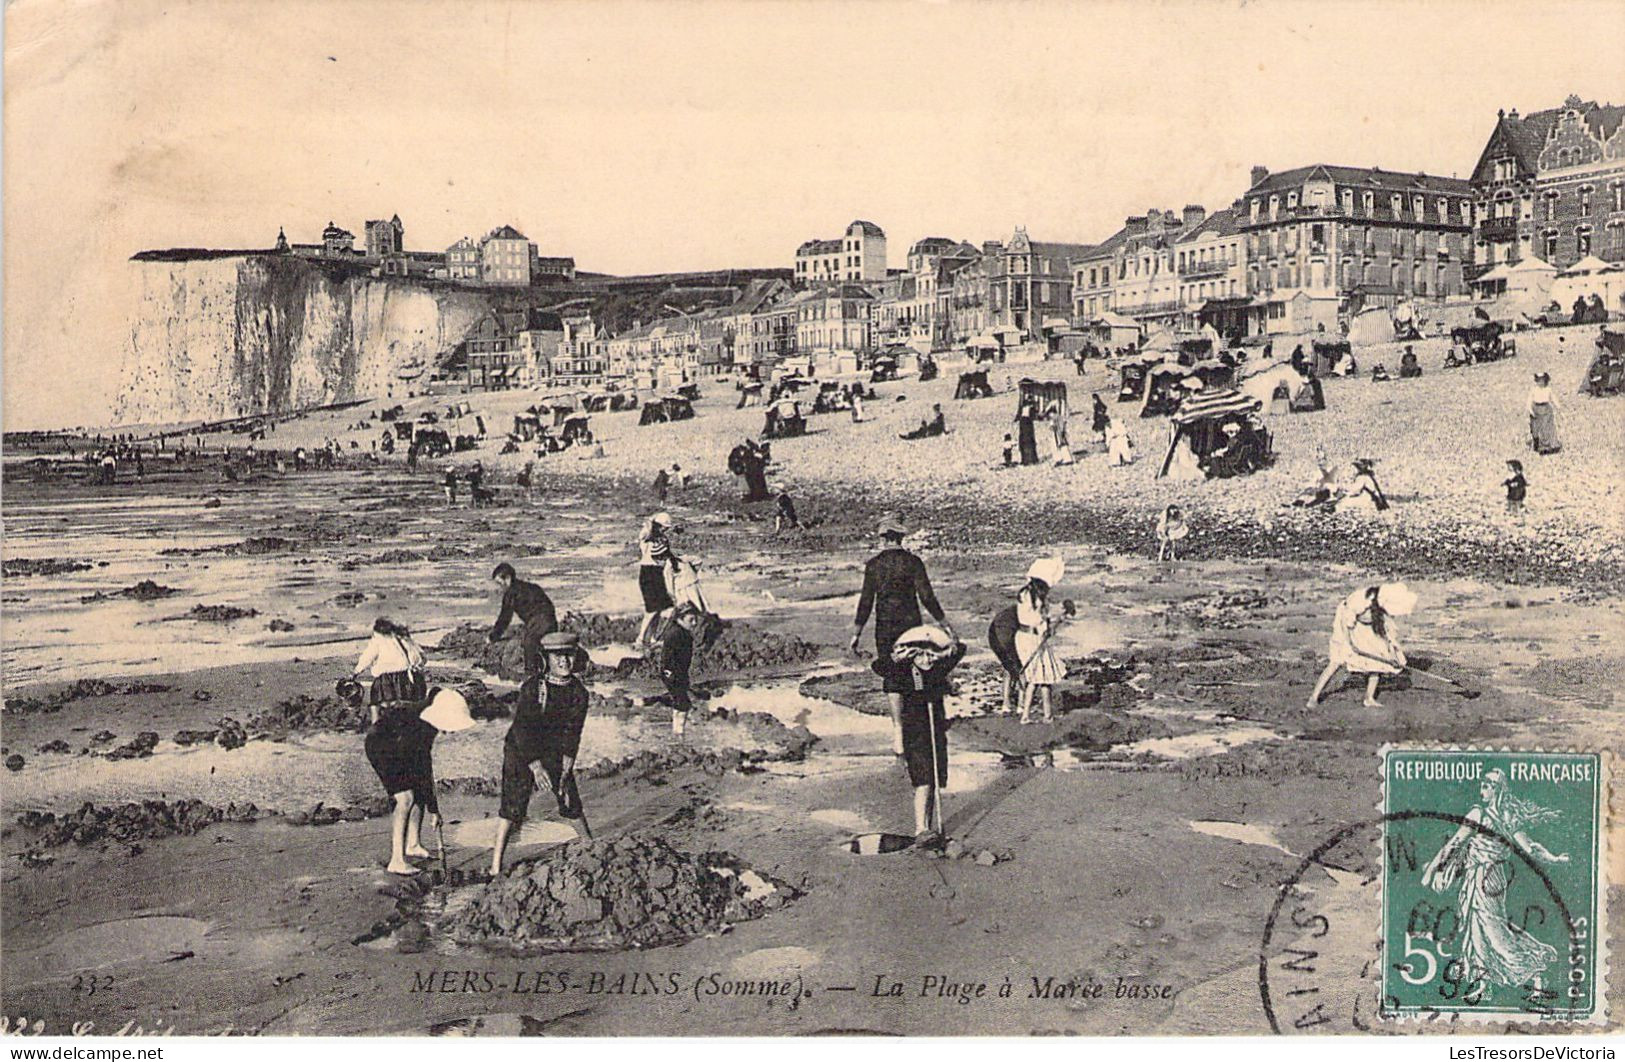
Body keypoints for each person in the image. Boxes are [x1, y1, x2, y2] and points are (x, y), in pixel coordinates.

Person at [1419, 769, 1568, 1002]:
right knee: (1475, 929)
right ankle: (1483, 983)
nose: (1482, 789)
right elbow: (1455, 843)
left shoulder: (1498, 816)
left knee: (1495, 932)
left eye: (1487, 785)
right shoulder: (1484, 814)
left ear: (1497, 789)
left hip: (1488, 879)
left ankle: (1536, 971)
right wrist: (1433, 869)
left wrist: (1553, 858)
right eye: (1482, 784)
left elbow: (1529, 847)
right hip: (1476, 876)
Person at [490, 632, 592, 876]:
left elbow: (573, 732)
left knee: (569, 799)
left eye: (569, 655)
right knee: (512, 806)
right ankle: (495, 865)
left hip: (554, 750)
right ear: (546, 659)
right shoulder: (533, 688)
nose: (564, 662)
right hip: (521, 749)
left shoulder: (580, 693)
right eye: (558, 657)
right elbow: (523, 730)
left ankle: (590, 845)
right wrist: (536, 767)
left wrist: (567, 767)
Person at [852, 516, 952, 756]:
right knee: (916, 670)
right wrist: (945, 624)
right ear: (901, 537)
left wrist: (856, 633)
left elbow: (866, 602)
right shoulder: (913, 562)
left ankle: (898, 733)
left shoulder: (874, 565)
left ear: (884, 538)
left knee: (893, 676)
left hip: (885, 627)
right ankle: (918, 729)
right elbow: (927, 596)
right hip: (911, 626)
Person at [353, 618, 433, 875]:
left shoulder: (410, 651)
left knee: (417, 791)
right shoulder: (381, 648)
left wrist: (434, 808)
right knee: (406, 797)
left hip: (396, 735)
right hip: (386, 742)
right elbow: (368, 659)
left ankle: (413, 843)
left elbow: (425, 767)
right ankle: (397, 860)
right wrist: (355, 673)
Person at [888, 626, 966, 847]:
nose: (927, 658)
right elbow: (880, 667)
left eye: (930, 653)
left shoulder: (937, 668)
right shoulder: (902, 672)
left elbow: (960, 649)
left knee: (934, 779)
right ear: (914, 654)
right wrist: (898, 657)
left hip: (936, 729)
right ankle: (921, 829)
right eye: (922, 654)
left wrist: (942, 653)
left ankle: (929, 826)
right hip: (915, 732)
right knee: (922, 780)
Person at [1306, 583, 1415, 709]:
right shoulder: (1360, 600)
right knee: (1336, 661)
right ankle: (1313, 698)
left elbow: (1386, 636)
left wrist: (1392, 658)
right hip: (1346, 623)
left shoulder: (1384, 610)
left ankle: (1369, 698)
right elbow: (1345, 623)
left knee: (1378, 654)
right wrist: (1350, 644)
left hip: (1365, 626)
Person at [1015, 557, 1066, 725]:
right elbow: (1040, 620)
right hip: (1033, 639)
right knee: (1041, 679)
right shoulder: (1037, 598)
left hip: (1024, 637)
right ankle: (1041, 716)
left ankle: (1033, 714)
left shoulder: (1024, 594)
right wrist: (1053, 622)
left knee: (1037, 678)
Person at [489, 562, 558, 675]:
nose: (500, 587)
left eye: (499, 583)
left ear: (507, 578)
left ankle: (531, 675)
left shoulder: (510, 594)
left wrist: (493, 637)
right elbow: (549, 605)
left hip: (540, 621)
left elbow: (504, 618)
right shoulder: (531, 587)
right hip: (551, 620)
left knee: (529, 642)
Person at [635, 512, 677, 649]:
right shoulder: (647, 536)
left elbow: (667, 555)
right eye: (664, 527)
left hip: (658, 573)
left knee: (658, 609)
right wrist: (651, 522)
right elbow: (645, 532)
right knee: (651, 610)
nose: (666, 530)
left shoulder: (662, 538)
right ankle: (640, 639)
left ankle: (652, 638)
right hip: (648, 573)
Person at [660, 605, 700, 739]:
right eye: (691, 620)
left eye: (695, 620)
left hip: (679, 673)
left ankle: (676, 731)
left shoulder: (682, 632)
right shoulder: (675, 634)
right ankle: (679, 735)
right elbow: (667, 658)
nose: (694, 624)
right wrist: (671, 675)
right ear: (680, 619)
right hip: (672, 673)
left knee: (680, 702)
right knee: (683, 703)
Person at [986, 600, 1023, 715]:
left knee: (1009, 669)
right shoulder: (1027, 612)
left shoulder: (1012, 611)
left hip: (994, 636)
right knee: (1022, 671)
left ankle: (1006, 704)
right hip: (1004, 635)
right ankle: (1021, 705)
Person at [1527, 372, 1562, 455]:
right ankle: (1541, 446)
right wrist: (1530, 410)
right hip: (1537, 408)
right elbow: (1529, 400)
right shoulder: (1534, 390)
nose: (1541, 382)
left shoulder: (1548, 389)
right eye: (1539, 380)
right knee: (1539, 428)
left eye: (1542, 380)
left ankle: (1551, 445)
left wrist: (1558, 406)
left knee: (1548, 427)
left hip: (1546, 408)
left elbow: (1553, 398)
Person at [1049, 399, 1074, 465]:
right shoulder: (1059, 417)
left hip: (1057, 433)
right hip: (1059, 433)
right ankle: (1066, 458)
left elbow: (1053, 427)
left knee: (1059, 445)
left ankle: (1061, 458)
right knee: (1061, 445)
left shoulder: (1055, 418)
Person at [1015, 397, 1040, 465]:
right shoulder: (1031, 408)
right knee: (1029, 440)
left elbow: (1017, 417)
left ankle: (1025, 459)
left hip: (1023, 423)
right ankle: (1031, 459)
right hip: (1027, 423)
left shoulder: (1022, 408)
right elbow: (1036, 416)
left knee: (1024, 440)